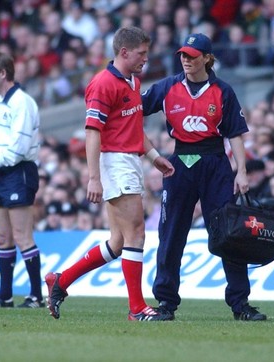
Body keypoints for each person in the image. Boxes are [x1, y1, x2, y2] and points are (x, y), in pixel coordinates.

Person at [44, 26, 175, 322]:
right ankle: (137, 308)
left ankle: (60, 281)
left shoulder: (132, 80)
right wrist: (94, 177)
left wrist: (154, 158)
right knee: (136, 234)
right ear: (124, 52)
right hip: (114, 161)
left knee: (118, 241)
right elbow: (93, 132)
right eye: (141, 53)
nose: (146, 58)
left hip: (129, 160)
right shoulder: (103, 84)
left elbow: (134, 127)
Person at [141, 33, 267, 321]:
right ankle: (166, 303)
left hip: (215, 163)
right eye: (183, 55)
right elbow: (133, 111)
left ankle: (240, 304)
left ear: (207, 59)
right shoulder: (167, 87)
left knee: (228, 234)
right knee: (171, 234)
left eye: (192, 55)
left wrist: (241, 172)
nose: (186, 60)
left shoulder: (223, 91)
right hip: (179, 164)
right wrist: (151, 154)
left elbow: (234, 133)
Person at [0, 51, 44, 308]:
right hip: (2, 171)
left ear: (3, 73)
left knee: (23, 235)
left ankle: (36, 295)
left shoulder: (22, 102)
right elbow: (1, 142)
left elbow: (20, 147)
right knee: (2, 237)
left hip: (19, 171)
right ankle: (5, 296)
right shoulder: (0, 103)